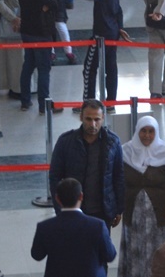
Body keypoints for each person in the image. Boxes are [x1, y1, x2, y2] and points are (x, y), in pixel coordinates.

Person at [119, 116, 165, 277]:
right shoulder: (125, 152)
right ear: (137, 131)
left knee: (159, 254)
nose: (147, 135)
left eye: (151, 131)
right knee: (137, 253)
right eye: (143, 131)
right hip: (134, 218)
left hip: (160, 220)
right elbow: (118, 183)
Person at [49, 99, 126, 234]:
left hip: (103, 212)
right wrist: (60, 209)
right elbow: (55, 177)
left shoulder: (113, 142)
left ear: (103, 118)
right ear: (80, 117)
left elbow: (118, 176)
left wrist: (118, 209)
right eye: (88, 119)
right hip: (73, 211)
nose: (93, 124)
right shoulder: (65, 141)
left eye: (97, 119)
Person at [16, 0, 59, 111]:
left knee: (28, 65)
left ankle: (25, 101)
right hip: (40, 33)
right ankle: (44, 104)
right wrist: (46, 4)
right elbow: (53, 3)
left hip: (27, 31)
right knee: (43, 69)